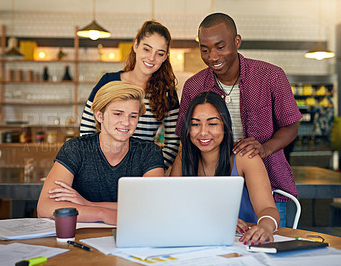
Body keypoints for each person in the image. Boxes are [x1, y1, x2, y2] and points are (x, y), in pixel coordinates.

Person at [175, 13, 302, 226]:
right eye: (204, 50)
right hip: (215, 191)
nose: (212, 56)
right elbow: (187, 137)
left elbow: (291, 126)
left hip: (268, 185)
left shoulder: (270, 76)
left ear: (237, 42)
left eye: (220, 47)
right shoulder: (194, 86)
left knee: (266, 244)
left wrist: (265, 148)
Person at [37, 81, 165, 225]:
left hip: (132, 235)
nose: (126, 122)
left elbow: (154, 205)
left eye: (133, 116)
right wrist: (103, 214)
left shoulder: (149, 152)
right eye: (118, 114)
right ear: (99, 116)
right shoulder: (75, 149)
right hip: (82, 239)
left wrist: (88, 204)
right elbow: (45, 207)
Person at [171, 91, 280, 244]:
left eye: (212, 123)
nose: (203, 132)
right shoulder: (184, 158)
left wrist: (265, 227)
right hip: (201, 242)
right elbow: (173, 207)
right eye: (195, 124)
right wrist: (216, 219)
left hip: (242, 245)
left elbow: (268, 209)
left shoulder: (245, 158)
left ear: (225, 125)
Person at [80, 20, 180, 170]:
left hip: (143, 174)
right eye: (147, 49)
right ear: (136, 46)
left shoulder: (167, 92)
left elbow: (172, 143)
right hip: (104, 167)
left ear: (165, 57)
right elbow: (86, 129)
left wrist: (152, 169)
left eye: (159, 53)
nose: (152, 58)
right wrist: (99, 167)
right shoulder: (109, 81)